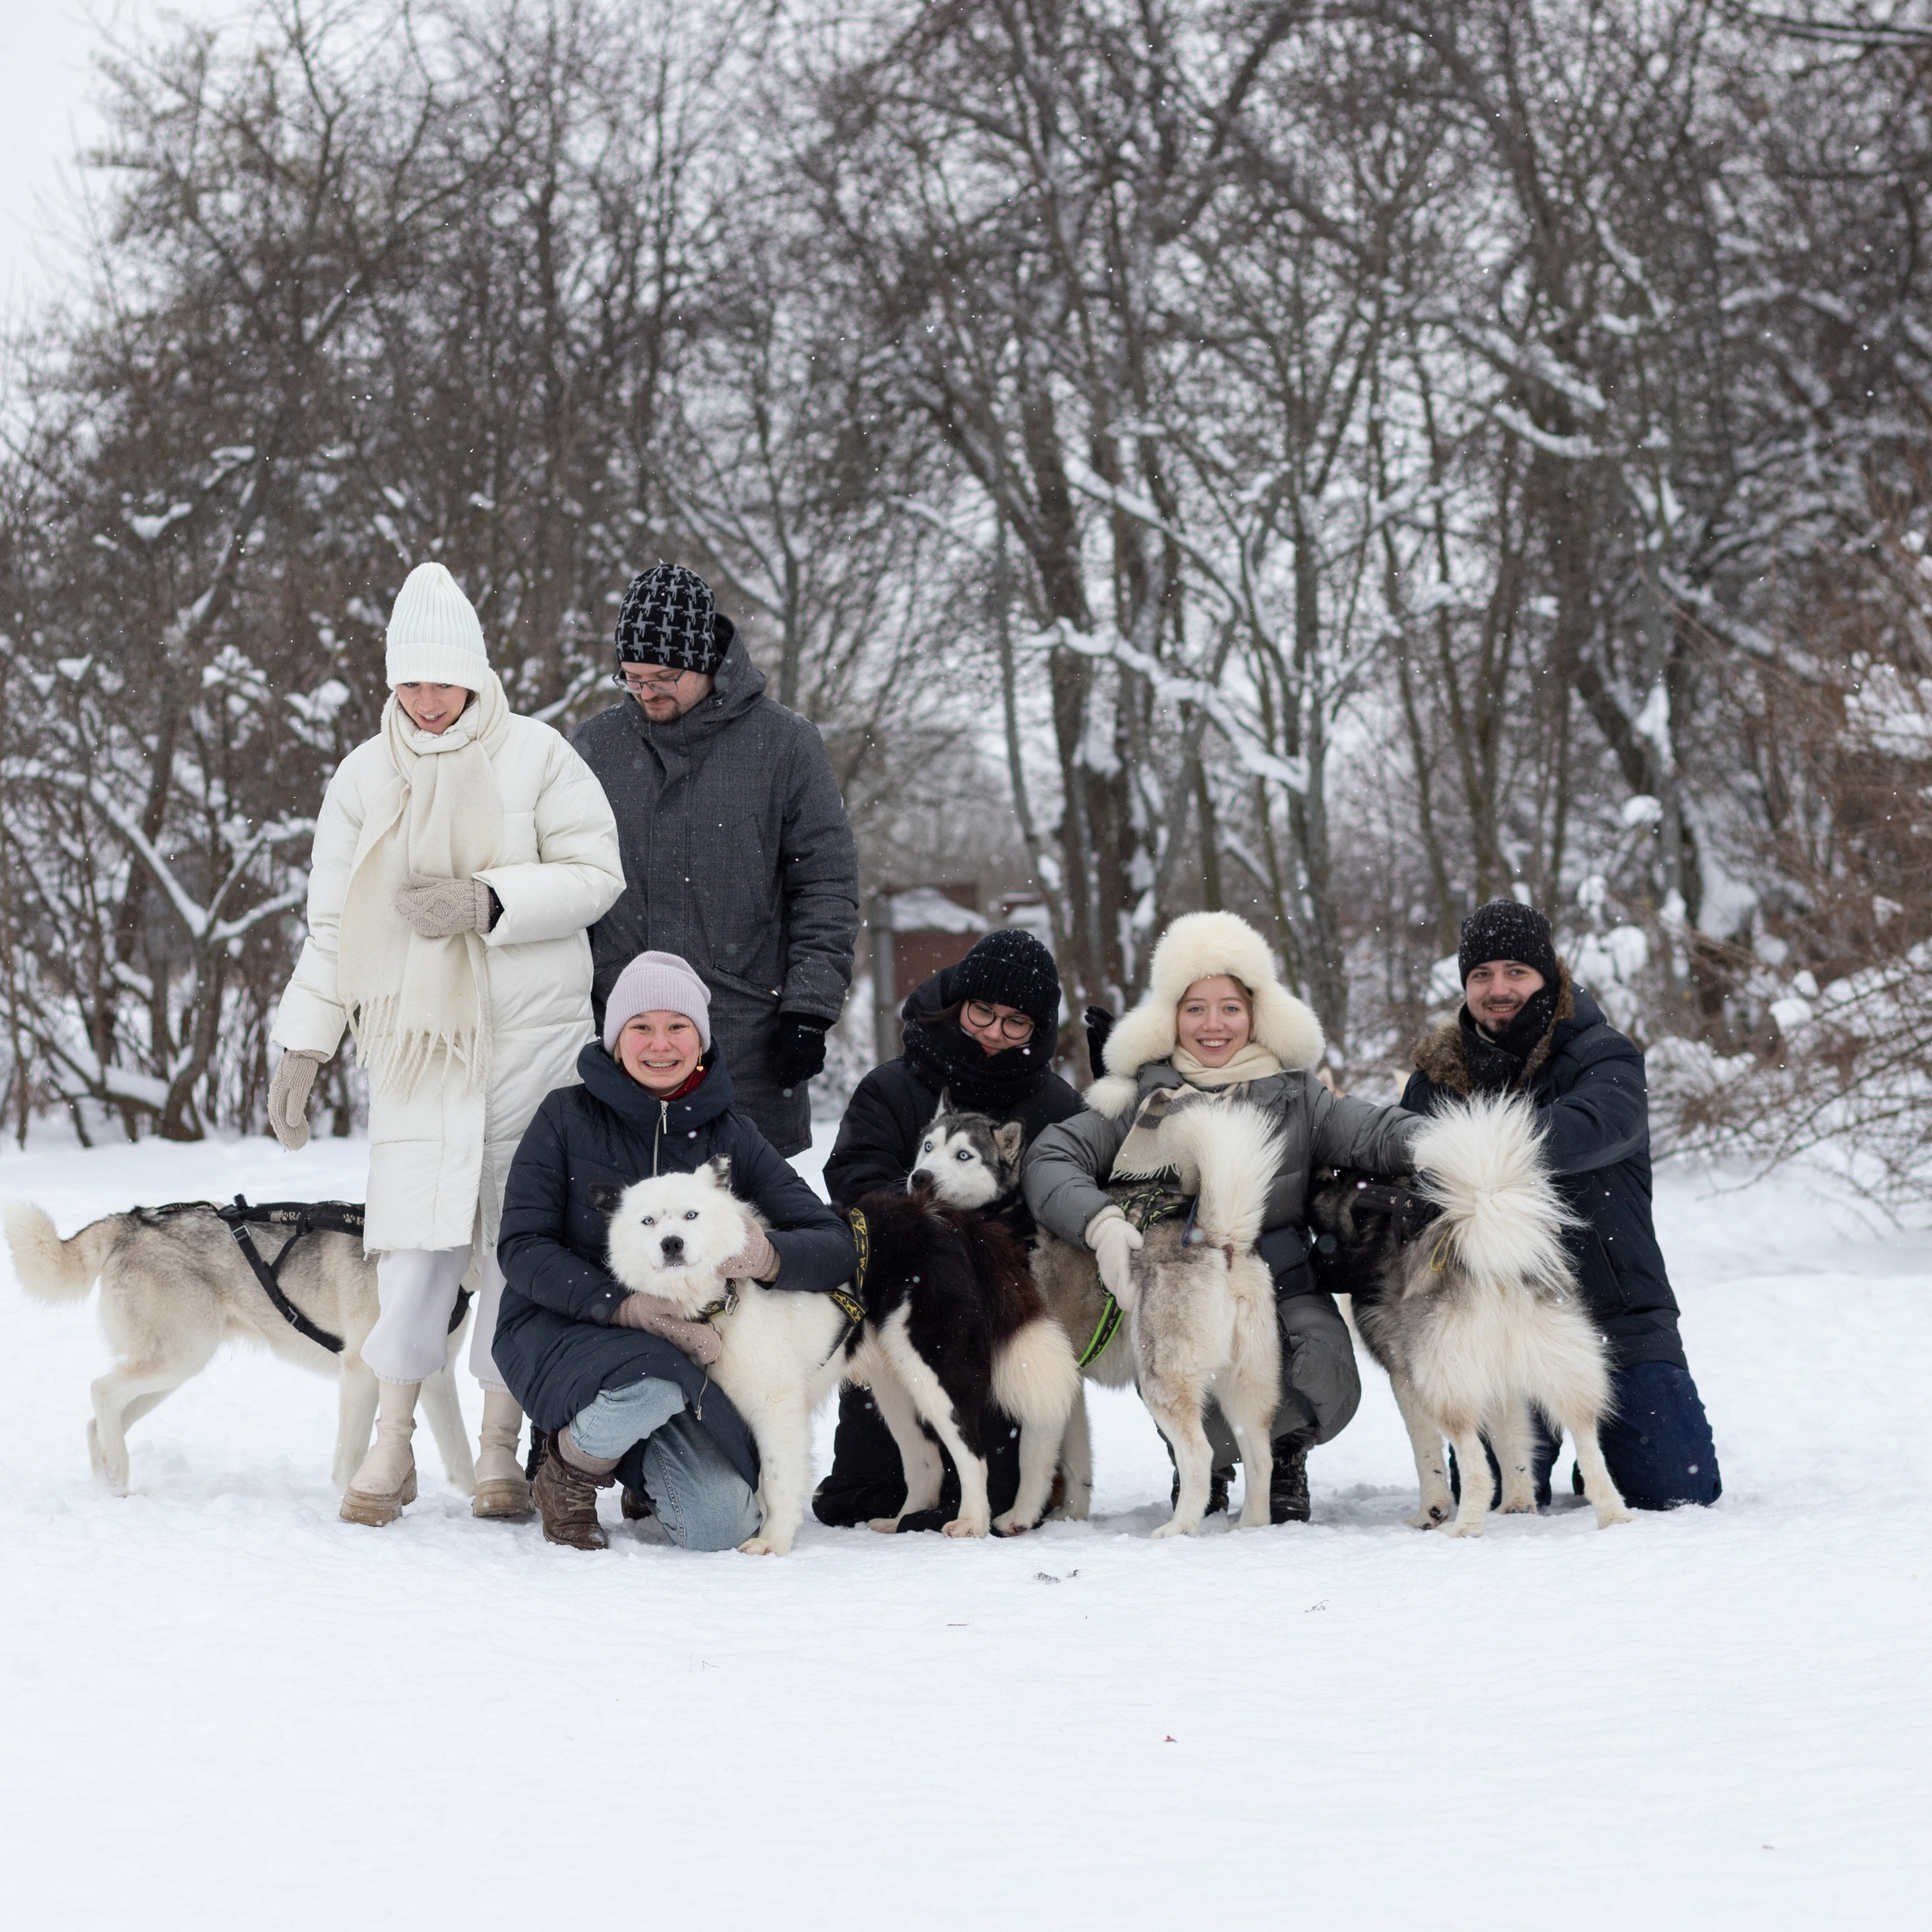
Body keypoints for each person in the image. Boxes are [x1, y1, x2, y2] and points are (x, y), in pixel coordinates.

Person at [267, 561, 624, 1526]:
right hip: (419, 1048)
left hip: (531, 1047)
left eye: (443, 681)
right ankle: (395, 1444)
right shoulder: (362, 775)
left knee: (521, 1245)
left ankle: (502, 1450)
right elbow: (334, 927)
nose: (427, 702)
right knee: (413, 1249)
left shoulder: (540, 756)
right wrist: (304, 1045)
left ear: (476, 674)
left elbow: (598, 874)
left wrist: (490, 900)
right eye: (410, 682)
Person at [1023, 911, 1420, 1522]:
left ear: (1258, 1013)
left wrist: (1441, 1144)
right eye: (1196, 1008)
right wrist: (1099, 1223)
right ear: (1170, 1018)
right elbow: (1052, 1157)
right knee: (1180, 1364)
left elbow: (1373, 1132)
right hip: (1176, 1279)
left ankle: (1284, 1455)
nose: (1214, 1025)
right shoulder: (1139, 1097)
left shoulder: (1296, 1093)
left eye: (1230, 1007)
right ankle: (1199, 1464)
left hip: (1281, 1276)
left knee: (1322, 1370)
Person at [492, 950, 859, 1550]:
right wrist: (621, 1306)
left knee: (721, 1525)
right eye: (641, 1027)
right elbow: (523, 1247)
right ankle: (568, 1464)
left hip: (697, 1346)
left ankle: (641, 1460)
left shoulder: (731, 1133)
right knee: (651, 1380)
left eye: (677, 1027)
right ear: (616, 1038)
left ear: (700, 1038)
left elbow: (832, 1243)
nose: (660, 1044)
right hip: (568, 1326)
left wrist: (769, 1257)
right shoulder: (565, 1118)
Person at [1402, 898, 1721, 1510]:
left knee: (1678, 1489)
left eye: (1516, 972)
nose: (1498, 989)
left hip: (1616, 1312)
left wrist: (1475, 1150)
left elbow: (1594, 1126)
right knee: (1502, 1490)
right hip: (1498, 1315)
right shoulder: (1438, 1078)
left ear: (1549, 975)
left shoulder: (1604, 1055)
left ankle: (1614, 1448)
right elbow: (1409, 1174)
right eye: (1481, 976)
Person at [571, 564, 859, 1157]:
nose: (646, 692)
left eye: (663, 676)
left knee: (748, 1234)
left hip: (745, 1042)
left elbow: (826, 887)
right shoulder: (594, 749)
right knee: (622, 1234)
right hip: (618, 1039)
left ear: (707, 660)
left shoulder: (785, 746)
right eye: (631, 679)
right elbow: (562, 883)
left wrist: (808, 1008)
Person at [811, 928, 1081, 1529]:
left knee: (1000, 1494)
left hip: (1000, 1319)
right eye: (983, 1010)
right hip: (897, 1301)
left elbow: (1075, 1202)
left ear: (1037, 1031)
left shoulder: (1056, 1108)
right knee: (868, 1497)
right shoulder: (892, 1088)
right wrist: (945, 1237)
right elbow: (857, 1187)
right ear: (957, 1000)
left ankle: (1025, 1470)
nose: (993, 1032)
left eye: (1017, 1023)